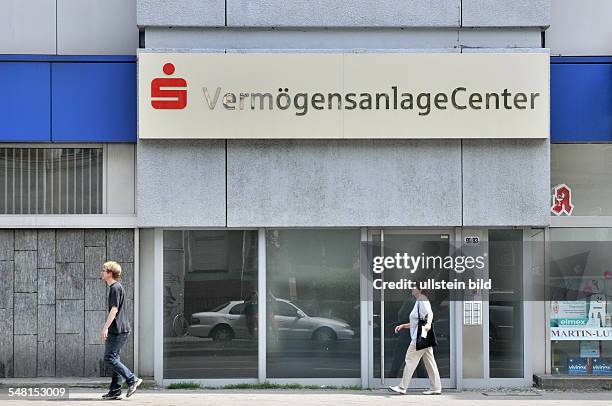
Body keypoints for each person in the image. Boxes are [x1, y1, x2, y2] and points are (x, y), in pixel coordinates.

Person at [100, 261, 142, 400]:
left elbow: (114, 309)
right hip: (118, 329)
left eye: (104, 270)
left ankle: (132, 379)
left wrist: (105, 328)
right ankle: (115, 391)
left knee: (109, 358)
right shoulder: (115, 287)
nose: (102, 272)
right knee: (114, 358)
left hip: (118, 330)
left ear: (110, 273)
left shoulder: (115, 288)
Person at [388, 288, 441, 395]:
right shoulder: (419, 301)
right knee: (430, 362)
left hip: (421, 335)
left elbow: (429, 314)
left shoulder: (422, 299)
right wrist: (403, 326)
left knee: (410, 359)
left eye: (414, 287)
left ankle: (402, 387)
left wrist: (428, 324)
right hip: (424, 335)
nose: (412, 289)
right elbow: (416, 322)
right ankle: (436, 388)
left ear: (420, 289)